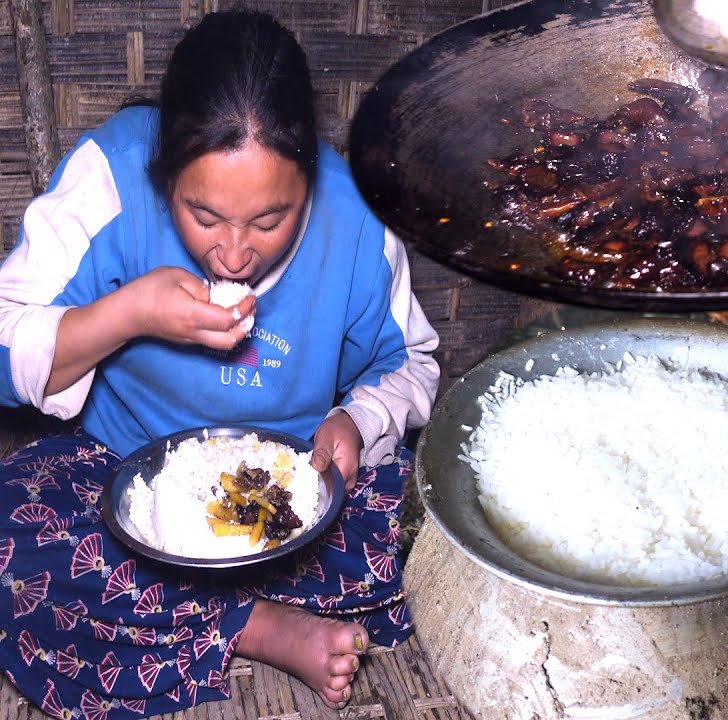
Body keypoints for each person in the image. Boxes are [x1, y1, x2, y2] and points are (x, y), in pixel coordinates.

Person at [0, 8, 440, 718]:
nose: (234, 254)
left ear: (309, 179)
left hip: (295, 505)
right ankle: (259, 626)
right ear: (164, 168)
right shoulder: (110, 177)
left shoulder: (355, 214)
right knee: (13, 531)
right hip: (121, 488)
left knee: (432, 533)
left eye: (270, 220)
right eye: (203, 216)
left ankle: (188, 616)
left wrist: (358, 420)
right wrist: (130, 312)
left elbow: (412, 363)